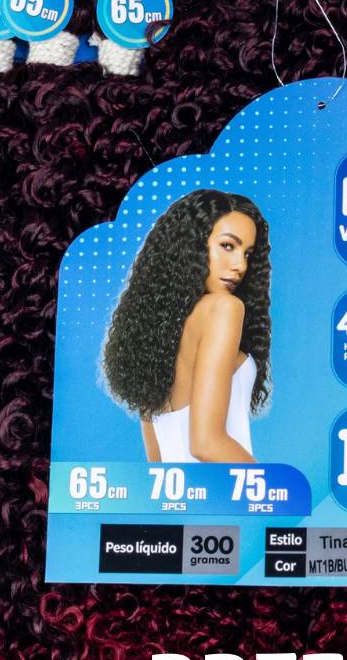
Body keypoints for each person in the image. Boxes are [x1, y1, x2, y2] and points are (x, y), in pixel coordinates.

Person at [103, 189, 271, 462]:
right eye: (228, 245)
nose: (240, 265)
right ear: (190, 244)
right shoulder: (224, 308)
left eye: (248, 254)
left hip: (176, 489)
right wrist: (271, 485)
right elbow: (206, 443)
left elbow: (157, 462)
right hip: (226, 487)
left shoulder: (153, 333)